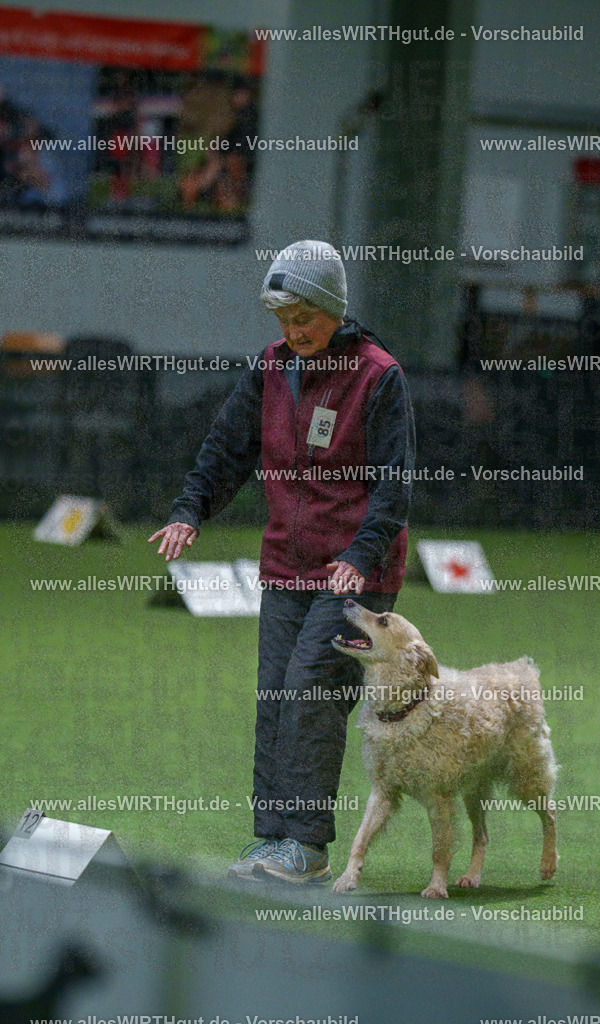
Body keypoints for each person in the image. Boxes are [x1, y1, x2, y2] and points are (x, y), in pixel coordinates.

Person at [149, 241, 415, 883]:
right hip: (286, 567)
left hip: (354, 573)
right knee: (275, 696)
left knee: (309, 691)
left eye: (304, 319)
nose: (293, 332)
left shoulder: (378, 376)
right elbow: (226, 448)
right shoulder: (270, 368)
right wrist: (189, 510)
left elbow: (395, 483)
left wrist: (361, 554)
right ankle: (272, 839)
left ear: (333, 309)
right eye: (283, 321)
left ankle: (308, 847)